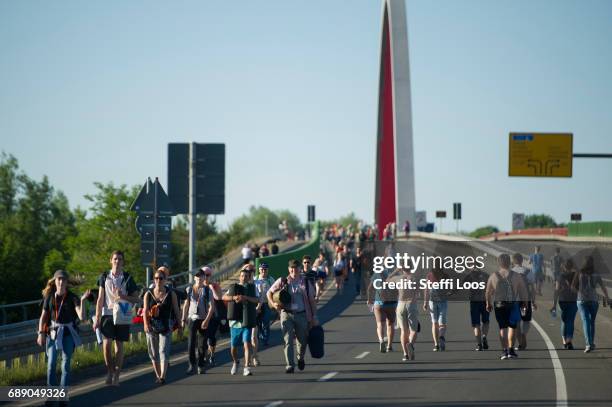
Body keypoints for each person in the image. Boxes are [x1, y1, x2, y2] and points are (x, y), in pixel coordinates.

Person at [37, 270, 89, 400]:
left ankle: (62, 397)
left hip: (68, 334)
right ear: (54, 281)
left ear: (66, 282)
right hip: (53, 334)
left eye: (63, 279)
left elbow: (81, 316)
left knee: (65, 365)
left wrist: (82, 300)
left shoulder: (72, 297)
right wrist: (40, 334)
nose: (61, 282)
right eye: (58, 279)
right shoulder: (49, 297)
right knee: (51, 365)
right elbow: (43, 317)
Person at [93, 250, 140, 385]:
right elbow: (100, 299)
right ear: (110, 260)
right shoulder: (104, 277)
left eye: (120, 259)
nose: (117, 261)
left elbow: (137, 299)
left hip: (122, 314)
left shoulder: (128, 278)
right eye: (115, 259)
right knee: (106, 345)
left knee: (119, 346)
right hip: (107, 314)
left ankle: (117, 376)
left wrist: (122, 296)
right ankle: (110, 371)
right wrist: (97, 317)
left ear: (123, 261)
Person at [267, 259, 319, 373]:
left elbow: (311, 300)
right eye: (291, 268)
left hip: (302, 315)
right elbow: (269, 292)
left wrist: (314, 317)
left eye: (295, 268)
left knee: (303, 341)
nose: (293, 270)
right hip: (287, 314)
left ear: (300, 269)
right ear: (288, 269)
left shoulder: (305, 282)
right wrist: (273, 303)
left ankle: (300, 358)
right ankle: (289, 365)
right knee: (287, 340)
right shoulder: (283, 281)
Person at [486, 254, 529, 360]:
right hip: (512, 304)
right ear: (510, 262)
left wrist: (488, 303)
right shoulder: (516, 275)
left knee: (502, 328)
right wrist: (525, 303)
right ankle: (511, 350)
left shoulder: (493, 276)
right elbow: (523, 291)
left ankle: (504, 351)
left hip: (499, 304)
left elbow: (488, 291)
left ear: (499, 263)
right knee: (512, 327)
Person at [143, 269, 182, 384]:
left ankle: (163, 376)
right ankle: (158, 375)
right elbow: (145, 310)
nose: (158, 280)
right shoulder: (148, 294)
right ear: (153, 280)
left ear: (165, 280)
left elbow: (176, 310)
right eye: (156, 278)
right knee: (153, 353)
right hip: (152, 326)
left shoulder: (171, 293)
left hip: (166, 326)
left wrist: (180, 326)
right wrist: (145, 324)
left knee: (163, 350)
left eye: (161, 278)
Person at [223, 267, 258, 376]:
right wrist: (234, 298)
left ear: (249, 277)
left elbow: (256, 300)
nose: (244, 278)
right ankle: (236, 362)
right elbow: (223, 297)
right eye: (242, 276)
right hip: (235, 323)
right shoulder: (234, 288)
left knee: (247, 343)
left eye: (246, 276)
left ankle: (246, 367)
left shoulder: (252, 288)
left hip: (246, 321)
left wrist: (245, 298)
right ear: (240, 277)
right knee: (233, 347)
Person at [572, 256, 610, 353]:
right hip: (594, 301)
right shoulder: (596, 273)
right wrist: (607, 297)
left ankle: (588, 344)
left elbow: (573, 287)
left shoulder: (579, 272)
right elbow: (603, 287)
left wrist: (580, 292)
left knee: (586, 321)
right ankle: (591, 343)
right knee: (591, 322)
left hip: (581, 300)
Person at [182, 268, 215, 375]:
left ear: (204, 277)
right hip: (192, 319)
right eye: (197, 276)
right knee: (191, 343)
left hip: (203, 319)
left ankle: (201, 365)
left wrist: (207, 320)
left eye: (201, 276)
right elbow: (186, 304)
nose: (199, 278)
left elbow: (212, 307)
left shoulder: (207, 290)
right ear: (194, 278)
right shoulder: (189, 289)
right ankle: (192, 364)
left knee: (202, 344)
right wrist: (183, 318)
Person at [389, 266, 419, 361]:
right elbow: (417, 291)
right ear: (411, 268)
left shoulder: (398, 278)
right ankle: (410, 344)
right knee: (413, 329)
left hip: (401, 304)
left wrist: (396, 271)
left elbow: (387, 280)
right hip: (411, 304)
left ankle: (405, 354)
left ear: (402, 269)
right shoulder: (414, 278)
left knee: (403, 331)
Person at [367, 266, 398, 353]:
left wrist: (369, 300)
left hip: (379, 303)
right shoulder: (392, 275)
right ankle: (389, 346)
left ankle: (381, 340)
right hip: (391, 303)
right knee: (390, 324)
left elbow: (369, 289)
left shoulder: (375, 276)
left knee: (380, 324)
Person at [511, 253, 537, 350]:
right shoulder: (528, 272)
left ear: (513, 261)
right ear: (522, 261)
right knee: (526, 320)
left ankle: (521, 341)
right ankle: (523, 335)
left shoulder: (510, 272)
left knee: (516, 322)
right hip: (525, 301)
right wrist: (533, 301)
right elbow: (532, 289)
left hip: (514, 301)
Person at [551, 258, 578, 349]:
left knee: (564, 321)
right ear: (572, 266)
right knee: (570, 321)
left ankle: (564, 342)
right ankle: (569, 341)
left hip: (562, 301)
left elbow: (556, 290)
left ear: (563, 266)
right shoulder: (576, 275)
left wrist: (554, 305)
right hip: (573, 301)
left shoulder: (560, 276)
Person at [462, 267, 490, 351]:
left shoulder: (470, 275)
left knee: (476, 324)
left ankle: (479, 344)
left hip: (474, 302)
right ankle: (484, 336)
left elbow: (462, 285)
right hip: (484, 300)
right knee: (486, 321)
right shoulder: (486, 275)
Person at [423, 266, 451, 351]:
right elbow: (448, 289)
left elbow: (426, 289)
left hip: (432, 301)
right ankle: (441, 335)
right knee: (442, 323)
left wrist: (425, 302)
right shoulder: (445, 275)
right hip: (442, 300)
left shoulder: (430, 275)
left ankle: (436, 345)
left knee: (434, 323)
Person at [254, 263, 275, 354]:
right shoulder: (255, 279)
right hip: (257, 304)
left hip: (266, 304)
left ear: (267, 270)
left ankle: (265, 339)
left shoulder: (270, 279)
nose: (263, 271)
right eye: (262, 269)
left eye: (265, 269)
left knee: (266, 322)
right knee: (257, 323)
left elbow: (275, 291)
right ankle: (257, 338)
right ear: (259, 270)